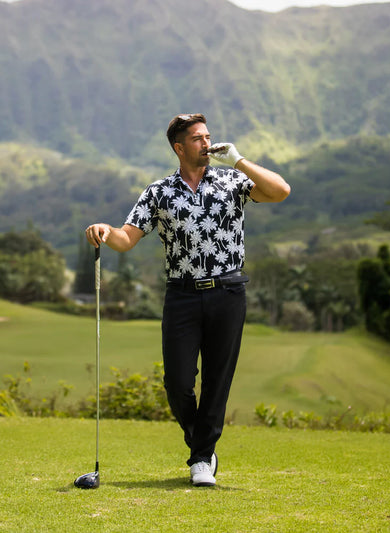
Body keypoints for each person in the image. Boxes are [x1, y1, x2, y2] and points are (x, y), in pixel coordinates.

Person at [85, 113, 290, 486]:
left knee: (217, 380)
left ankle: (200, 459)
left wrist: (239, 159)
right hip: (181, 295)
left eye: (208, 136)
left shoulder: (232, 181)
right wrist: (104, 230)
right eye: (198, 138)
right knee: (177, 382)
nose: (207, 143)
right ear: (179, 148)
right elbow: (126, 239)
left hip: (228, 292)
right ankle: (202, 447)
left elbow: (280, 191)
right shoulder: (158, 192)